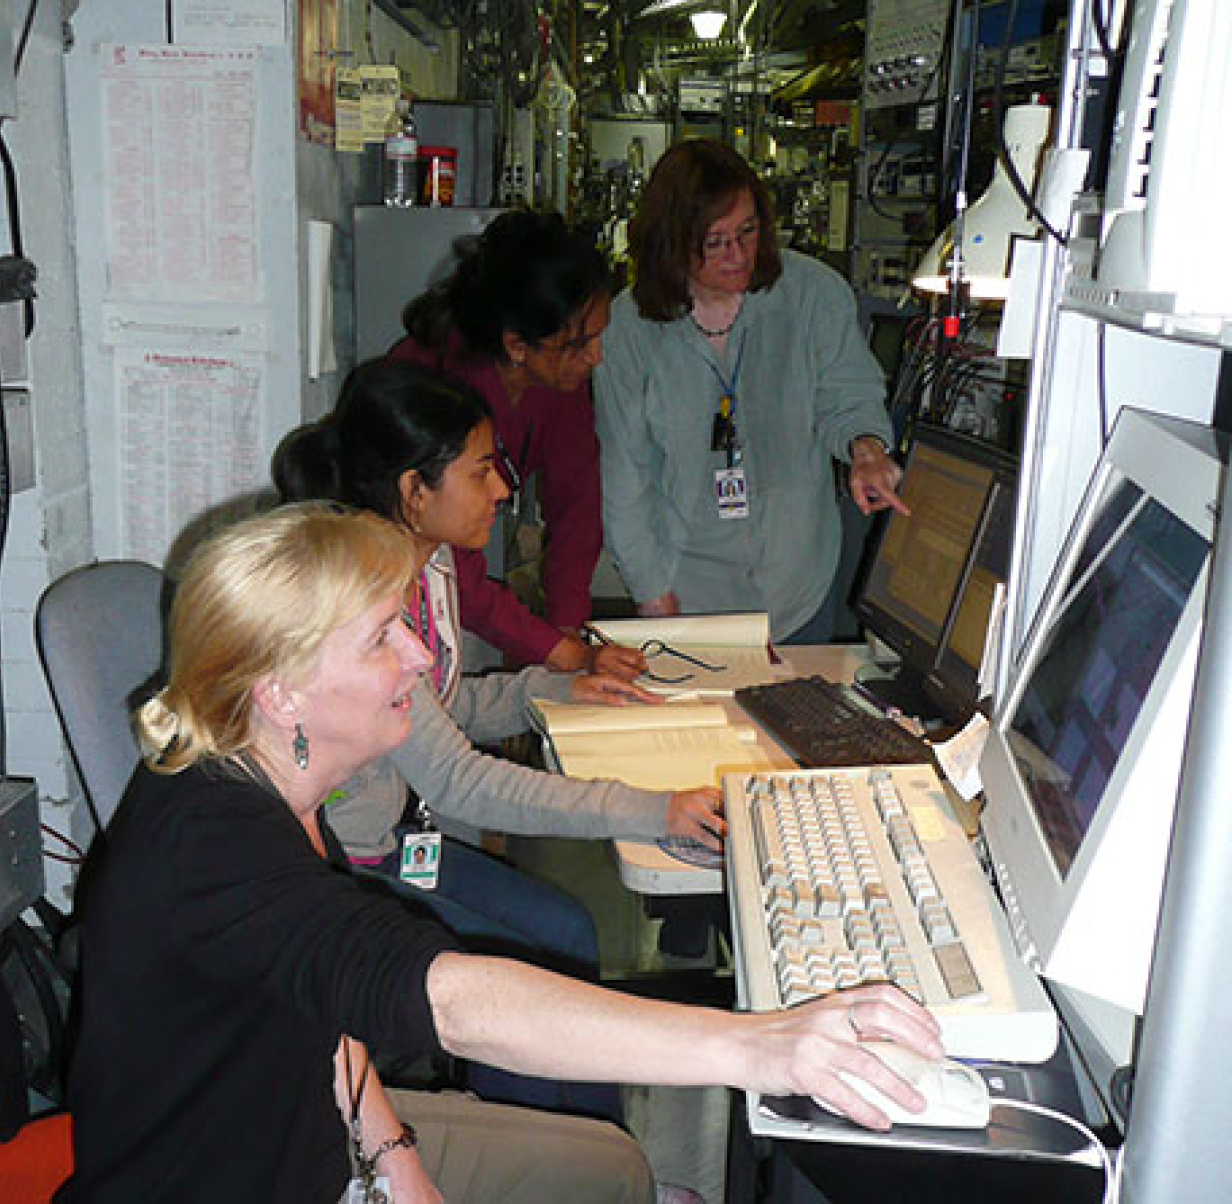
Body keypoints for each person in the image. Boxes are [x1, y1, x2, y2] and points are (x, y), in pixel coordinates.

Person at [63, 503, 945, 1203]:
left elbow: (323, 1006)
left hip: (311, 1125)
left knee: (614, 1169)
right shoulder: (209, 844)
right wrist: (760, 1049)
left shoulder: (269, 784)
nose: (417, 655)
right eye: (382, 637)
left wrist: (394, 1154)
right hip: (231, 1180)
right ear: (281, 693)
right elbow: (450, 1003)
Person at [273, 359, 723, 1119]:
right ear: (416, 492)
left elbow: (439, 711)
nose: (503, 490)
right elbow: (460, 781)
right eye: (482, 471)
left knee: (566, 930)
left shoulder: (432, 564)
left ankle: (589, 1156)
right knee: (529, 963)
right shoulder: (360, 601)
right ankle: (554, 1152)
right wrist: (656, 811)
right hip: (345, 868)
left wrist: (552, 689)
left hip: (392, 841)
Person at [594, 139, 910, 646]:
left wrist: (866, 450)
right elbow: (626, 473)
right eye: (715, 242)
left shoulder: (814, 295)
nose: (739, 255)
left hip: (799, 584)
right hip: (689, 591)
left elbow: (847, 397)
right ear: (672, 242)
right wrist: (650, 588)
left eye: (747, 232)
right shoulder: (628, 327)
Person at [393, 209, 644, 680]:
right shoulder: (433, 388)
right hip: (399, 589)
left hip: (454, 580)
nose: (597, 357)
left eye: (599, 337)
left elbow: (577, 507)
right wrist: (564, 654)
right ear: (517, 345)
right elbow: (461, 579)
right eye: (579, 344)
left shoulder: (556, 382)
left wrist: (567, 626)